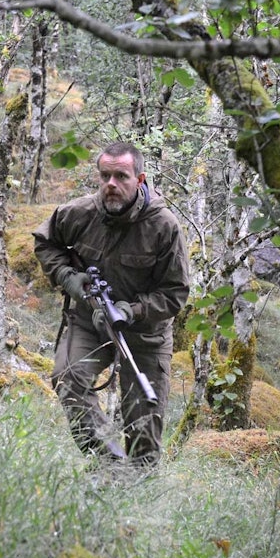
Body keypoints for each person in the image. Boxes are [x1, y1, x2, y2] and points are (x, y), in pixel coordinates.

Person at [33, 141, 189, 470]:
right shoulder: (80, 213)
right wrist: (67, 277)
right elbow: (46, 241)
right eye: (105, 176)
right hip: (89, 321)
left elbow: (175, 292)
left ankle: (138, 495)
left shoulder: (164, 227)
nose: (111, 185)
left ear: (140, 179)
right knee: (68, 376)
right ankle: (109, 465)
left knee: (144, 425)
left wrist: (131, 311)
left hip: (146, 335)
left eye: (121, 176)